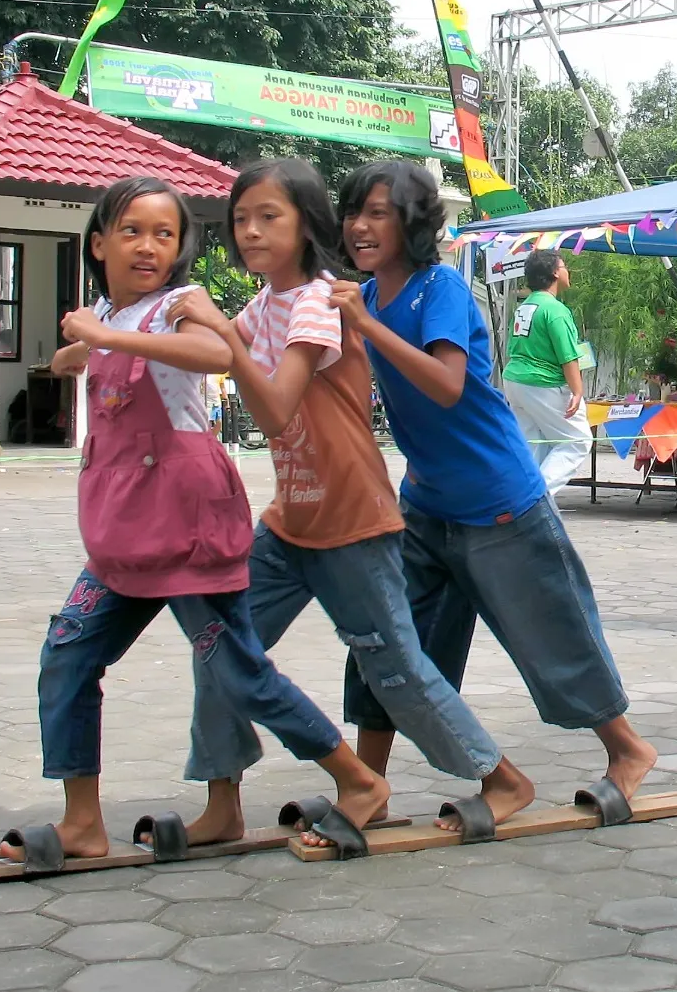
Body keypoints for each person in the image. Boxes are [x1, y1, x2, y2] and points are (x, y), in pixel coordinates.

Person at [0, 177, 390, 870]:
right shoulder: (105, 311)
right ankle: (82, 820)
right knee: (67, 652)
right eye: (132, 231)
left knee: (237, 672)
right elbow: (97, 347)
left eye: (165, 234)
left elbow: (213, 356)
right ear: (98, 243)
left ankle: (357, 777)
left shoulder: (182, 303)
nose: (149, 246)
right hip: (121, 535)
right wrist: (73, 352)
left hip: (190, 528)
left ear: (180, 250)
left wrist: (101, 334)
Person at [168, 158, 533, 848]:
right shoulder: (263, 304)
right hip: (291, 522)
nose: (249, 231)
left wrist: (218, 331)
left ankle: (501, 778)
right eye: (240, 219)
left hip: (353, 522)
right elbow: (214, 351)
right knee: (218, 643)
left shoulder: (322, 299)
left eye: (267, 217)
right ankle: (222, 800)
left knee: (397, 669)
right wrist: (114, 342)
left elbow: (274, 409)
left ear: (307, 225)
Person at [328, 159, 659, 818]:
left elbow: (446, 384)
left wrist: (366, 332)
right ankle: (368, 783)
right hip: (424, 506)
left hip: (497, 502)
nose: (361, 226)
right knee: (390, 641)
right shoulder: (366, 300)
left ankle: (627, 750)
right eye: (354, 211)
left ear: (414, 223)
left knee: (550, 635)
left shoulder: (440, 289)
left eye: (379, 212)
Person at [503, 248, 590, 497]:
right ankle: (534, 501)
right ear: (554, 272)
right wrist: (577, 391)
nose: (567, 271)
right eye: (564, 266)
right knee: (576, 442)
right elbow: (568, 356)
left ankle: (517, 499)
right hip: (543, 383)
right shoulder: (555, 310)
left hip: (516, 380)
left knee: (534, 445)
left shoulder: (525, 307)